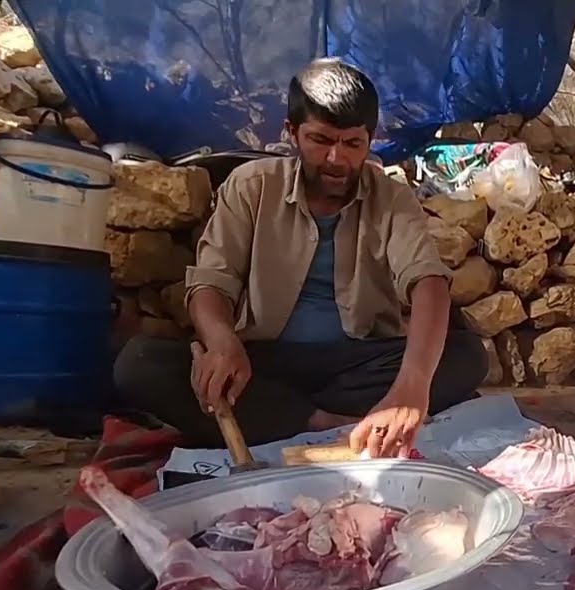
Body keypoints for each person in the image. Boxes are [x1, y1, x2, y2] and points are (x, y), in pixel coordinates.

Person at [114, 58, 489, 457]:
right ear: (292, 132)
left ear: (370, 140)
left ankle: (281, 419)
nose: (336, 160)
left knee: (466, 357)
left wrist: (411, 388)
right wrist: (222, 341)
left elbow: (427, 281)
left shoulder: (391, 198)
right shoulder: (251, 187)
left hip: (356, 362)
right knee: (140, 364)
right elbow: (211, 281)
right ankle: (322, 422)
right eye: (321, 140)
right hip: (264, 362)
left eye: (352, 144)